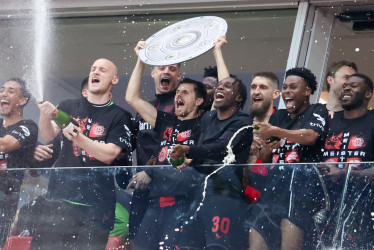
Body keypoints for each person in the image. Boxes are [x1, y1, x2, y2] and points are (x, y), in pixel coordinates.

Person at [33, 58, 134, 250]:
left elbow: (110, 154)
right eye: (93, 69)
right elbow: (48, 134)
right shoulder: (69, 105)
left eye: (102, 70)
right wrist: (45, 114)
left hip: (97, 207)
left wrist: (78, 137)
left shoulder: (120, 116)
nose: (95, 72)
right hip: (59, 199)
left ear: (114, 80)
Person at [170, 36, 253, 250]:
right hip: (200, 192)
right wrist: (186, 159)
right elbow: (201, 151)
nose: (219, 88)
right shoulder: (207, 118)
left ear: (238, 98)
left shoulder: (244, 121)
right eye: (218, 86)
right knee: (189, 245)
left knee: (216, 247)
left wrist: (189, 150)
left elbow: (223, 148)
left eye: (226, 87)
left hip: (226, 195)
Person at [249, 67, 329, 250]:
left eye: (293, 87)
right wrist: (265, 147)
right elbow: (265, 158)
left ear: (307, 91)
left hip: (300, 193)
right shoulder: (278, 116)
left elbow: (310, 136)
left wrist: (277, 132)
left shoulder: (317, 110)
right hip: (271, 190)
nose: (287, 92)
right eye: (285, 87)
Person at [128, 41, 182, 242]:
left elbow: (178, 142)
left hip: (169, 186)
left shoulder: (180, 105)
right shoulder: (144, 107)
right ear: (153, 73)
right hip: (142, 189)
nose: (166, 71)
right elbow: (129, 145)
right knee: (136, 240)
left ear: (178, 76)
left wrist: (151, 171)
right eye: (161, 68)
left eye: (172, 69)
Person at [320, 73, 374, 249]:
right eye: (345, 85)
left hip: (362, 210)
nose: (347, 88)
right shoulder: (329, 120)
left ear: (368, 94)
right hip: (325, 207)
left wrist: (344, 174)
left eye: (354, 85)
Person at [0, 78, 38, 246]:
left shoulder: (28, 127)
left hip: (5, 199)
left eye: (11, 91)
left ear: (23, 100)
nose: (3, 94)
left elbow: (5, 145)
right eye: (2, 90)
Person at [245, 72, 280, 203]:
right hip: (238, 197)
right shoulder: (242, 125)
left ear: (275, 94)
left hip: (268, 200)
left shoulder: (283, 123)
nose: (256, 91)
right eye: (253, 87)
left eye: (263, 87)